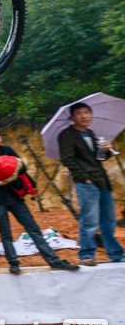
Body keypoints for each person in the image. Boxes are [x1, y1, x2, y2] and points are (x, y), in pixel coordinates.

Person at [0, 127, 79, 274]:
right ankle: (13, 263)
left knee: (33, 228)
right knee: (5, 232)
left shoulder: (7, 150)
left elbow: (22, 168)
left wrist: (6, 171)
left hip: (15, 196)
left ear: (0, 138)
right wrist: (9, 168)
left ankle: (54, 261)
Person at [59, 103, 125, 265]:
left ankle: (115, 253)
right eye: (79, 113)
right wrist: (84, 177)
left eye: (87, 112)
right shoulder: (67, 135)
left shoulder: (91, 134)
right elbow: (67, 159)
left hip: (102, 181)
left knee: (108, 220)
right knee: (89, 220)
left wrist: (106, 150)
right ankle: (86, 254)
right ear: (72, 117)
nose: (84, 116)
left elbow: (99, 158)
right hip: (86, 183)